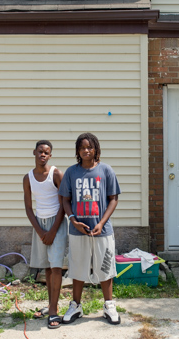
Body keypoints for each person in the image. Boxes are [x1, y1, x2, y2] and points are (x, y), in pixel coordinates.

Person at [59, 132, 121, 325]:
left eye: (90, 147)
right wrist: (73, 220)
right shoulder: (71, 172)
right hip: (78, 230)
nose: (86, 150)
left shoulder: (106, 170)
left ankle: (109, 305)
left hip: (102, 230)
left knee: (105, 268)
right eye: (82, 147)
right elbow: (65, 200)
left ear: (96, 149)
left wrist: (101, 222)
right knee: (77, 268)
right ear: (78, 151)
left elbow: (113, 199)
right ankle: (75, 305)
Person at [23, 140, 67, 329]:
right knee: (47, 269)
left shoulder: (56, 174)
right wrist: (40, 231)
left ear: (50, 155)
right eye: (40, 151)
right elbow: (28, 207)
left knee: (56, 267)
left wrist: (53, 231)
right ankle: (50, 306)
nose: (43, 155)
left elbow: (64, 204)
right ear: (34, 152)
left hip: (56, 222)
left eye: (46, 152)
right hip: (39, 225)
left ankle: (55, 310)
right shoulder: (28, 178)